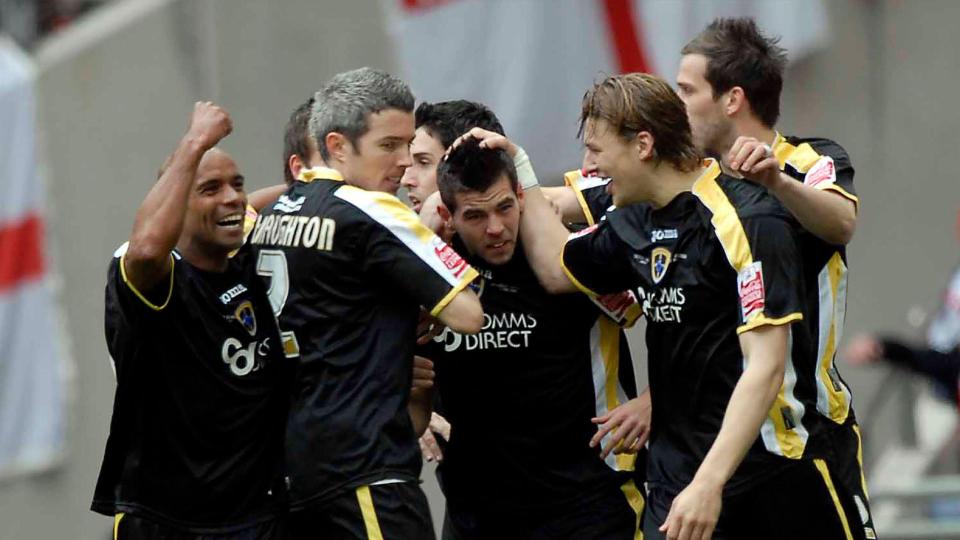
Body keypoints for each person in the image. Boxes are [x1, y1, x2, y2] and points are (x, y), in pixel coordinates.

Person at [487, 72, 864, 539]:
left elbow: (766, 367)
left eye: (597, 151)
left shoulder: (749, 218)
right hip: (676, 481)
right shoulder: (629, 222)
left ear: (643, 145)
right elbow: (555, 267)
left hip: (772, 472)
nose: (590, 166)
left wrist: (710, 483)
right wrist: (519, 167)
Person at [249, 67, 483, 539]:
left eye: (408, 144)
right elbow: (468, 314)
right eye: (388, 145)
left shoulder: (271, 216)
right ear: (338, 146)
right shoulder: (373, 209)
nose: (403, 162)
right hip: (366, 466)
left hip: (294, 471)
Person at [676, 17, 873, 539]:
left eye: (687, 90)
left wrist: (775, 181)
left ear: (732, 99)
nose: (678, 105)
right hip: (717, 445)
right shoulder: (690, 185)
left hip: (809, 437)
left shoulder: (811, 160)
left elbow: (841, 222)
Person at [413, 138, 645, 539]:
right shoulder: (426, 274)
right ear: (448, 215)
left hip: (588, 507)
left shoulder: (567, 256)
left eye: (505, 207)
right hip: (479, 515)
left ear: (521, 196)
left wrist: (656, 400)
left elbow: (694, 316)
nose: (495, 228)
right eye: (475, 215)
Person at [93, 102, 292, 539]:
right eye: (210, 188)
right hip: (168, 521)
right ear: (176, 206)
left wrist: (318, 185)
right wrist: (196, 141)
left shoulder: (242, 255)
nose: (232, 197)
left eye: (237, 184)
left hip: (258, 515)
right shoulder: (152, 278)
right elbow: (147, 248)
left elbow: (272, 203)